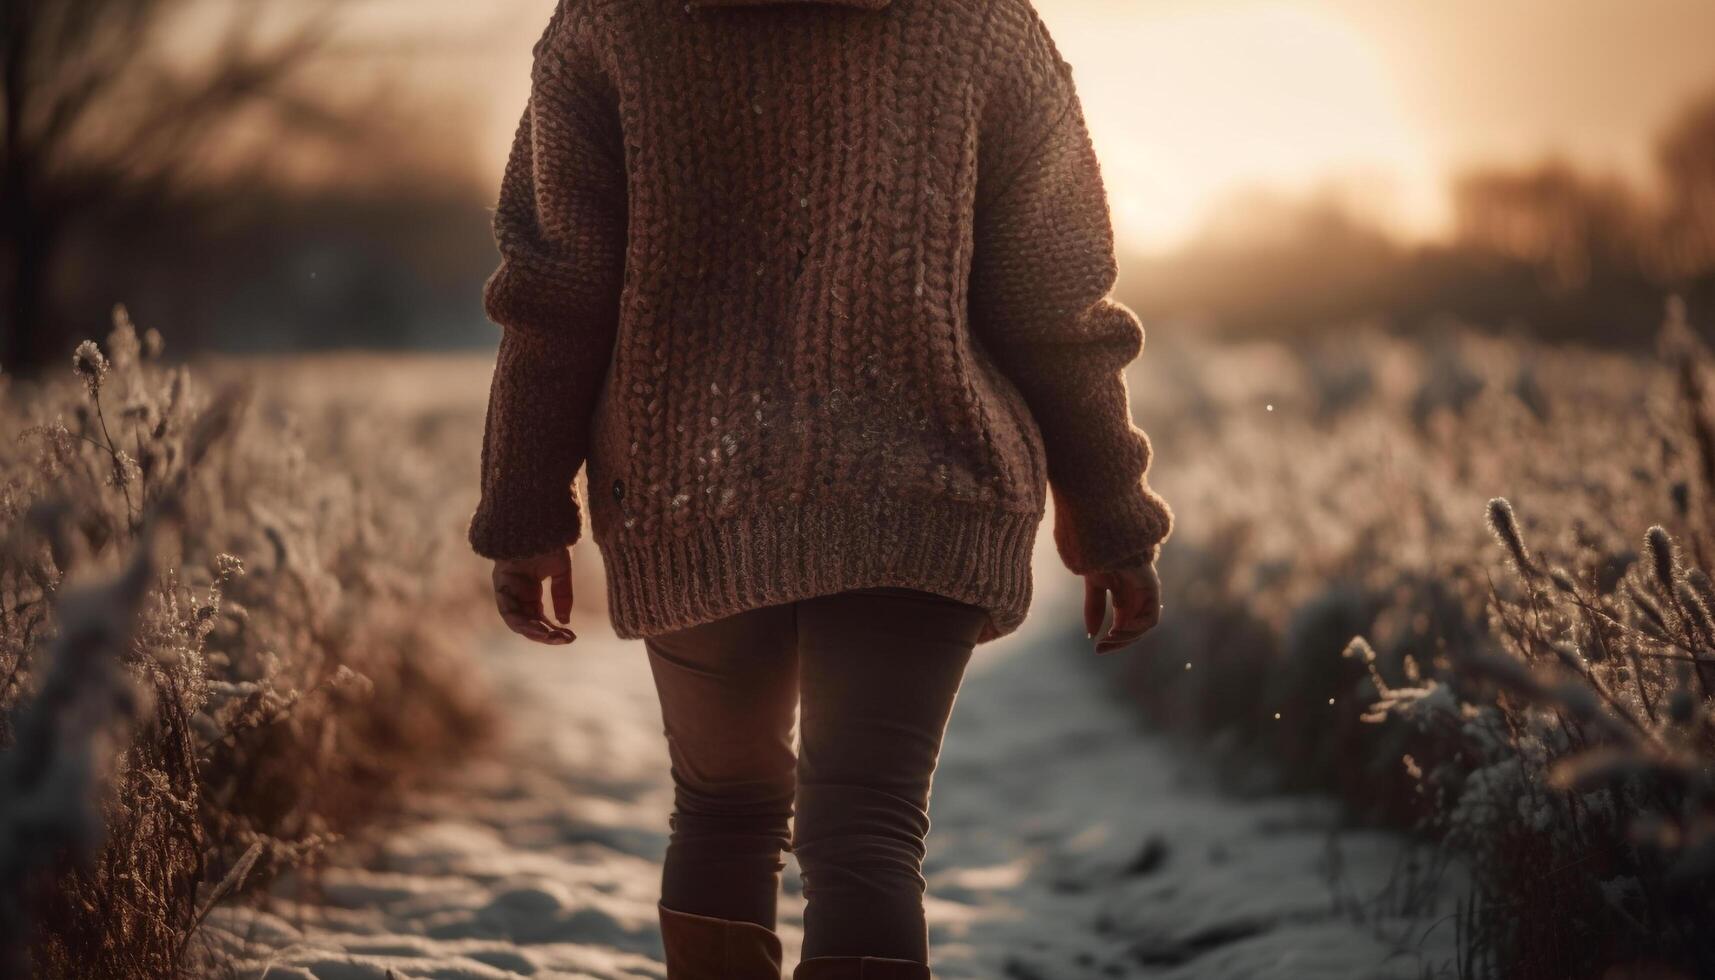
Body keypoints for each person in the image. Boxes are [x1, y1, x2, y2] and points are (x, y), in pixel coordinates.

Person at [467, 0, 1172, 975]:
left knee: (722, 809)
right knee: (867, 832)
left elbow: (553, 288)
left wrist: (524, 506)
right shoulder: (979, 23)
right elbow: (1054, 295)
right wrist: (1107, 511)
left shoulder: (611, 22)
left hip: (689, 479)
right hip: (924, 479)